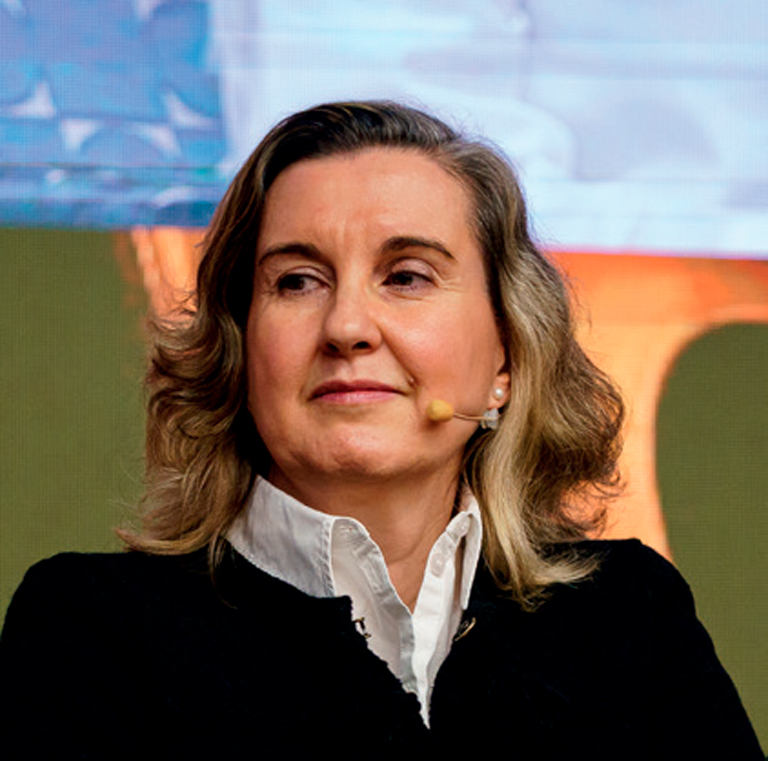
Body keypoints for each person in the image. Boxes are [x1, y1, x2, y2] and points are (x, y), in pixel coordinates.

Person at [0, 101, 762, 760]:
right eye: (297, 281)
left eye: (407, 276)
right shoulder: (95, 626)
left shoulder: (627, 611)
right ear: (240, 350)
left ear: (504, 354)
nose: (347, 326)